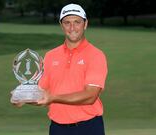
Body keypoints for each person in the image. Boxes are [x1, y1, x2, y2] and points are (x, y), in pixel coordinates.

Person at [13, 3, 108, 135]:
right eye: (67, 23)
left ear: (85, 24)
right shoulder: (50, 56)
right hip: (57, 129)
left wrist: (53, 98)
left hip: (88, 127)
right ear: (61, 25)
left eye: (77, 22)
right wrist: (23, 96)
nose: (72, 27)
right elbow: (41, 92)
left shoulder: (96, 55)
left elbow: (90, 96)